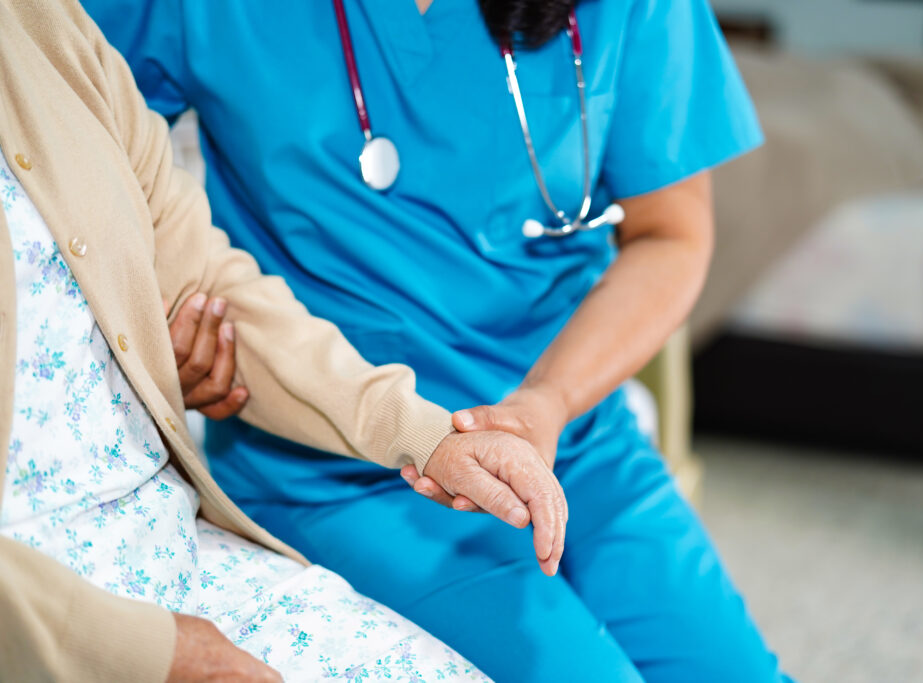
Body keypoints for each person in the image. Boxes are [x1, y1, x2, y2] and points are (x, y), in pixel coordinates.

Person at [84, 0, 791, 680]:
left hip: (571, 435)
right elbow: (75, 173)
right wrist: (158, 329)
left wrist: (547, 401)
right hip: (342, 465)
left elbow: (671, 234)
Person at [0, 1, 570, 680]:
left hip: (168, 547)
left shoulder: (44, 29)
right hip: (46, 614)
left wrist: (430, 434)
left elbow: (196, 277)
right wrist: (157, 654)